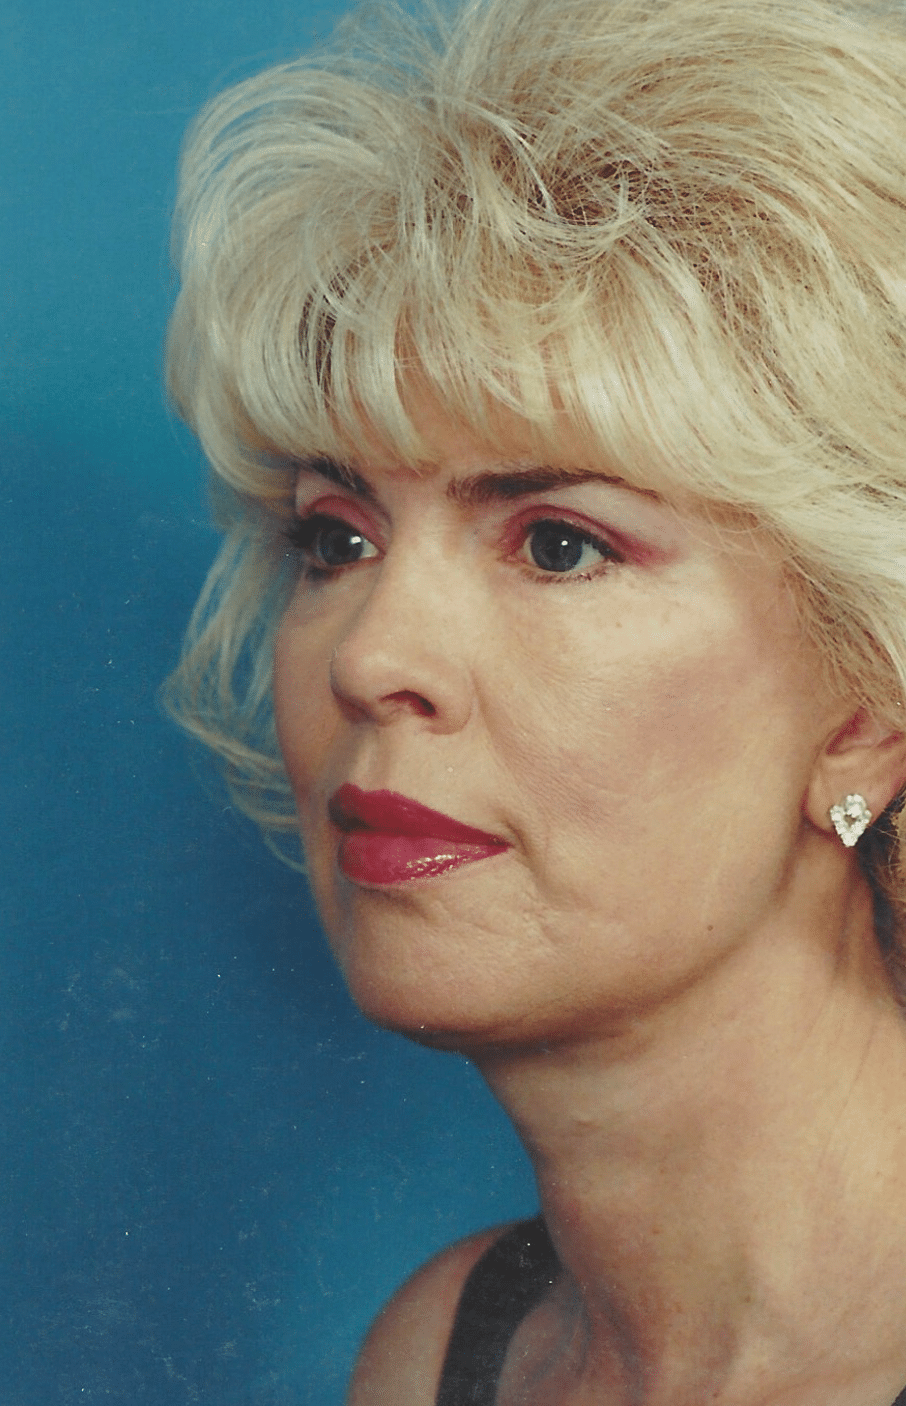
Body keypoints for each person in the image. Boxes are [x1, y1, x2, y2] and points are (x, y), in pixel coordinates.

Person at [164, 0, 906, 1400]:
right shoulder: (444, 1351)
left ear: (866, 704)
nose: (370, 654)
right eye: (337, 537)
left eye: (559, 543)